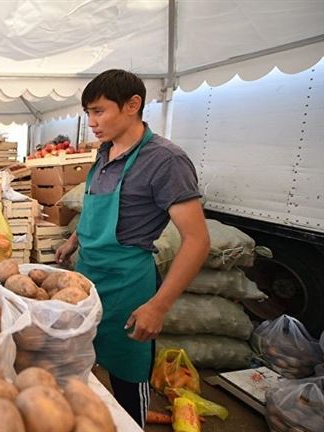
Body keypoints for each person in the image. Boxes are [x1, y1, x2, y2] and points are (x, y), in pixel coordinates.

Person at [55, 69, 210, 427]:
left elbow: (198, 240)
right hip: (87, 279)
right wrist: (73, 240)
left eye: (98, 111)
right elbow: (96, 206)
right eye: (88, 113)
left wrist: (158, 305)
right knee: (83, 368)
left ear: (132, 105)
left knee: (128, 378)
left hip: (128, 287)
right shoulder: (105, 152)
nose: (91, 122)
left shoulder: (165, 160)